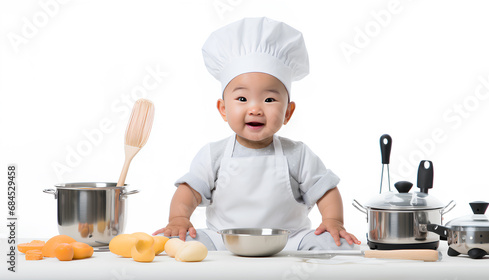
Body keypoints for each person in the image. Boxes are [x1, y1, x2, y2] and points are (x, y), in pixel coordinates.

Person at [153, 17, 360, 251]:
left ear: (288, 113)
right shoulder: (214, 155)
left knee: (337, 245)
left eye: (269, 99)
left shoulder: (298, 154)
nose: (255, 108)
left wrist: (333, 221)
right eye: (242, 98)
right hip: (223, 240)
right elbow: (188, 191)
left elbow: (325, 190)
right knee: (176, 244)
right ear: (223, 109)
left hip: (289, 241)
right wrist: (179, 220)